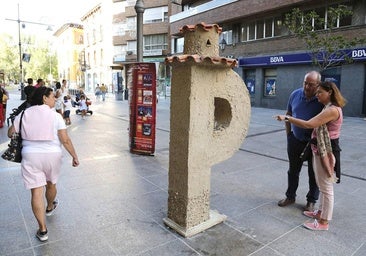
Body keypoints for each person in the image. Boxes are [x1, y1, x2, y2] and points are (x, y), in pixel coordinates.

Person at [7, 86, 79, 242]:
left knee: (36, 193)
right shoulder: (56, 116)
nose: (54, 99)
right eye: (52, 96)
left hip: (30, 155)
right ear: (44, 98)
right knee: (51, 184)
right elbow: (65, 139)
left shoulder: (24, 113)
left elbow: (10, 133)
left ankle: (43, 230)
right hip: (52, 155)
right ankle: (50, 206)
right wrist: (74, 156)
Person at [275, 81, 346, 231]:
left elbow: (309, 124)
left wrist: (287, 118)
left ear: (330, 93)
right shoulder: (328, 106)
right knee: (322, 184)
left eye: (320, 92)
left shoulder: (332, 110)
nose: (317, 95)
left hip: (326, 150)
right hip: (320, 148)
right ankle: (320, 213)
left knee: (326, 188)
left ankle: (323, 222)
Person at [277, 71, 323, 212]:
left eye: (311, 84)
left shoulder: (322, 100)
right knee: (293, 171)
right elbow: (288, 115)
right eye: (305, 83)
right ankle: (290, 196)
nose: (307, 87)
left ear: (318, 85)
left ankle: (311, 201)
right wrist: (289, 135)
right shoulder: (295, 94)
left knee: (313, 174)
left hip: (314, 143)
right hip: (295, 141)